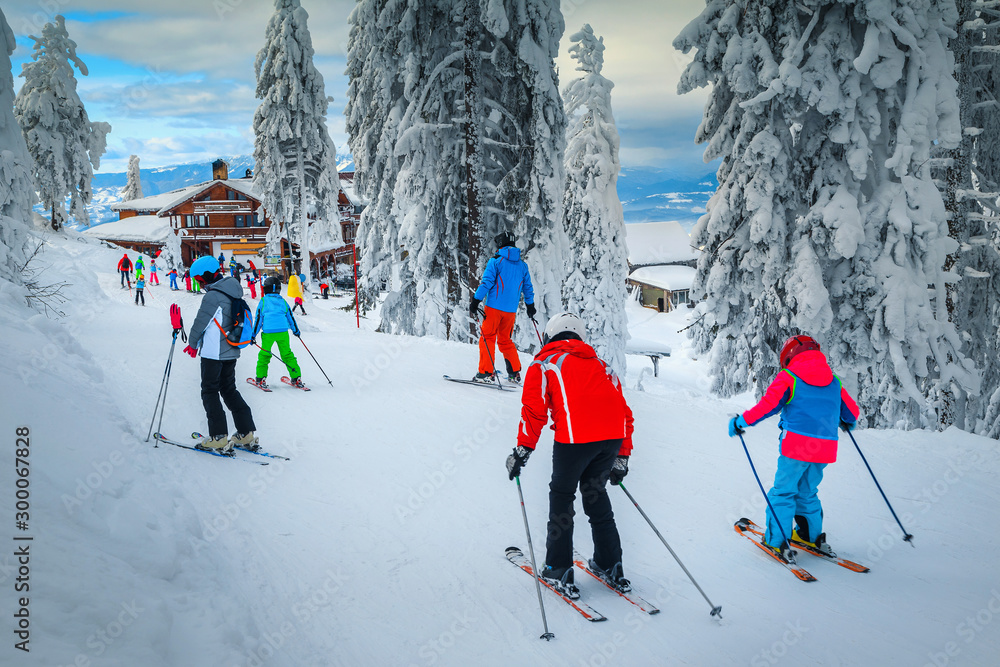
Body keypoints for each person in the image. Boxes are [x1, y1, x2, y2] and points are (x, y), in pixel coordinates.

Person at [506, 312, 634, 598]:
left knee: (562, 497)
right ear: (580, 336)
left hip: (574, 440)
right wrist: (621, 455)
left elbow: (533, 411)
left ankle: (558, 568)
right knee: (595, 493)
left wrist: (522, 450)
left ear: (550, 335)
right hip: (610, 440)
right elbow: (624, 412)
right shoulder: (603, 366)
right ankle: (609, 563)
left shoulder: (544, 364)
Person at [728, 335, 860, 561]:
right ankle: (810, 535)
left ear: (789, 357)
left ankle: (777, 540)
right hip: (825, 448)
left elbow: (766, 407)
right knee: (808, 491)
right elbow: (851, 414)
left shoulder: (789, 377)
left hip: (797, 447)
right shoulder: (833, 381)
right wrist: (847, 421)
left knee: (784, 491)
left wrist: (740, 422)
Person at [183, 255, 257, 452]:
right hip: (231, 351)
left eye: (199, 280)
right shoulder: (233, 291)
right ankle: (245, 432)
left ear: (207, 275)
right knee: (229, 389)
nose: (199, 284)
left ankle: (218, 437)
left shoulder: (213, 295)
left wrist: (192, 343)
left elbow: (201, 322)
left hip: (213, 353)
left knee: (209, 390)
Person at [469, 231, 535, 383]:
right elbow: (528, 288)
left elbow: (486, 283)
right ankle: (514, 372)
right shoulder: (522, 265)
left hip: (493, 308)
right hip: (510, 311)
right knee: (505, 340)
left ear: (500, 244)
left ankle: (485, 373)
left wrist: (476, 300)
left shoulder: (496, 261)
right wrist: (530, 306)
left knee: (488, 337)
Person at [250, 277, 304, 390]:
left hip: (268, 333)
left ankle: (260, 378)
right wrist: (296, 331)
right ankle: (296, 377)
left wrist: (253, 335)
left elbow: (258, 319)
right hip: (283, 332)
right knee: (287, 354)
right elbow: (290, 317)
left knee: (264, 355)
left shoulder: (263, 301)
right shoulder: (283, 302)